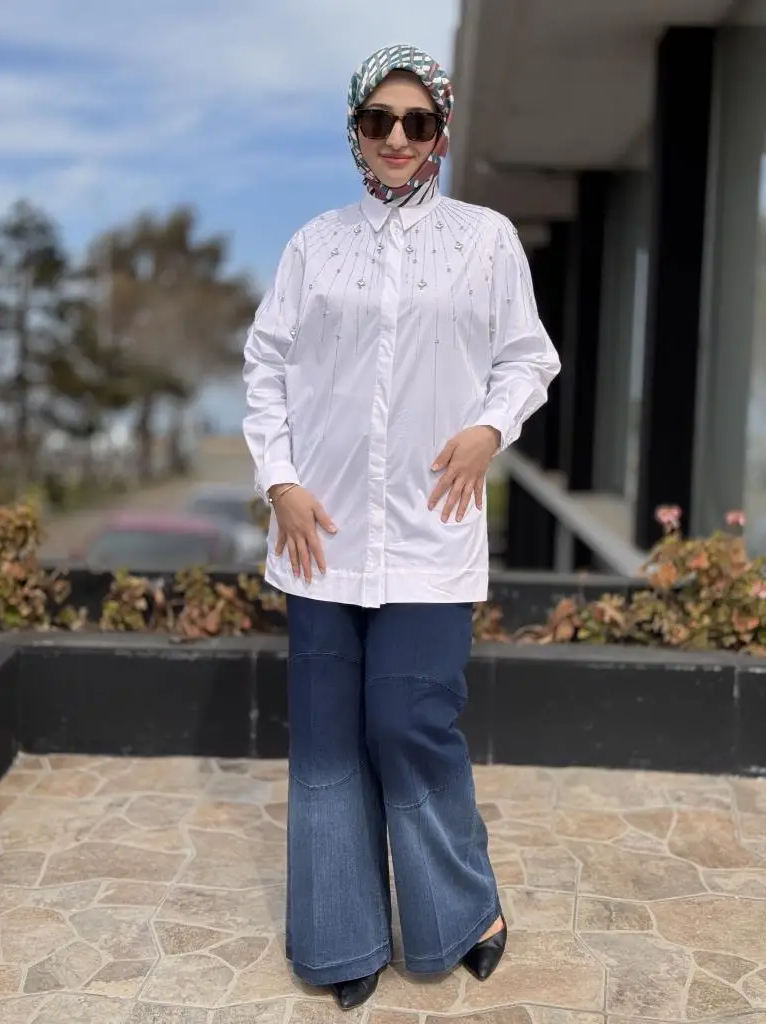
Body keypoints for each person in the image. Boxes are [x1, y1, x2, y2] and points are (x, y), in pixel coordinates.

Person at [243, 43, 561, 1011]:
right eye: (377, 120)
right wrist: (280, 483)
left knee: (408, 720)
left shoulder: (486, 240)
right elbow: (266, 367)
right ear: (355, 130)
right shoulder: (313, 245)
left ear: (440, 134)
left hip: (430, 531)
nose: (396, 137)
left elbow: (528, 358)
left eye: (416, 122)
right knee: (328, 739)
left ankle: (462, 912)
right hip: (321, 534)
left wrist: (489, 427)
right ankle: (339, 938)